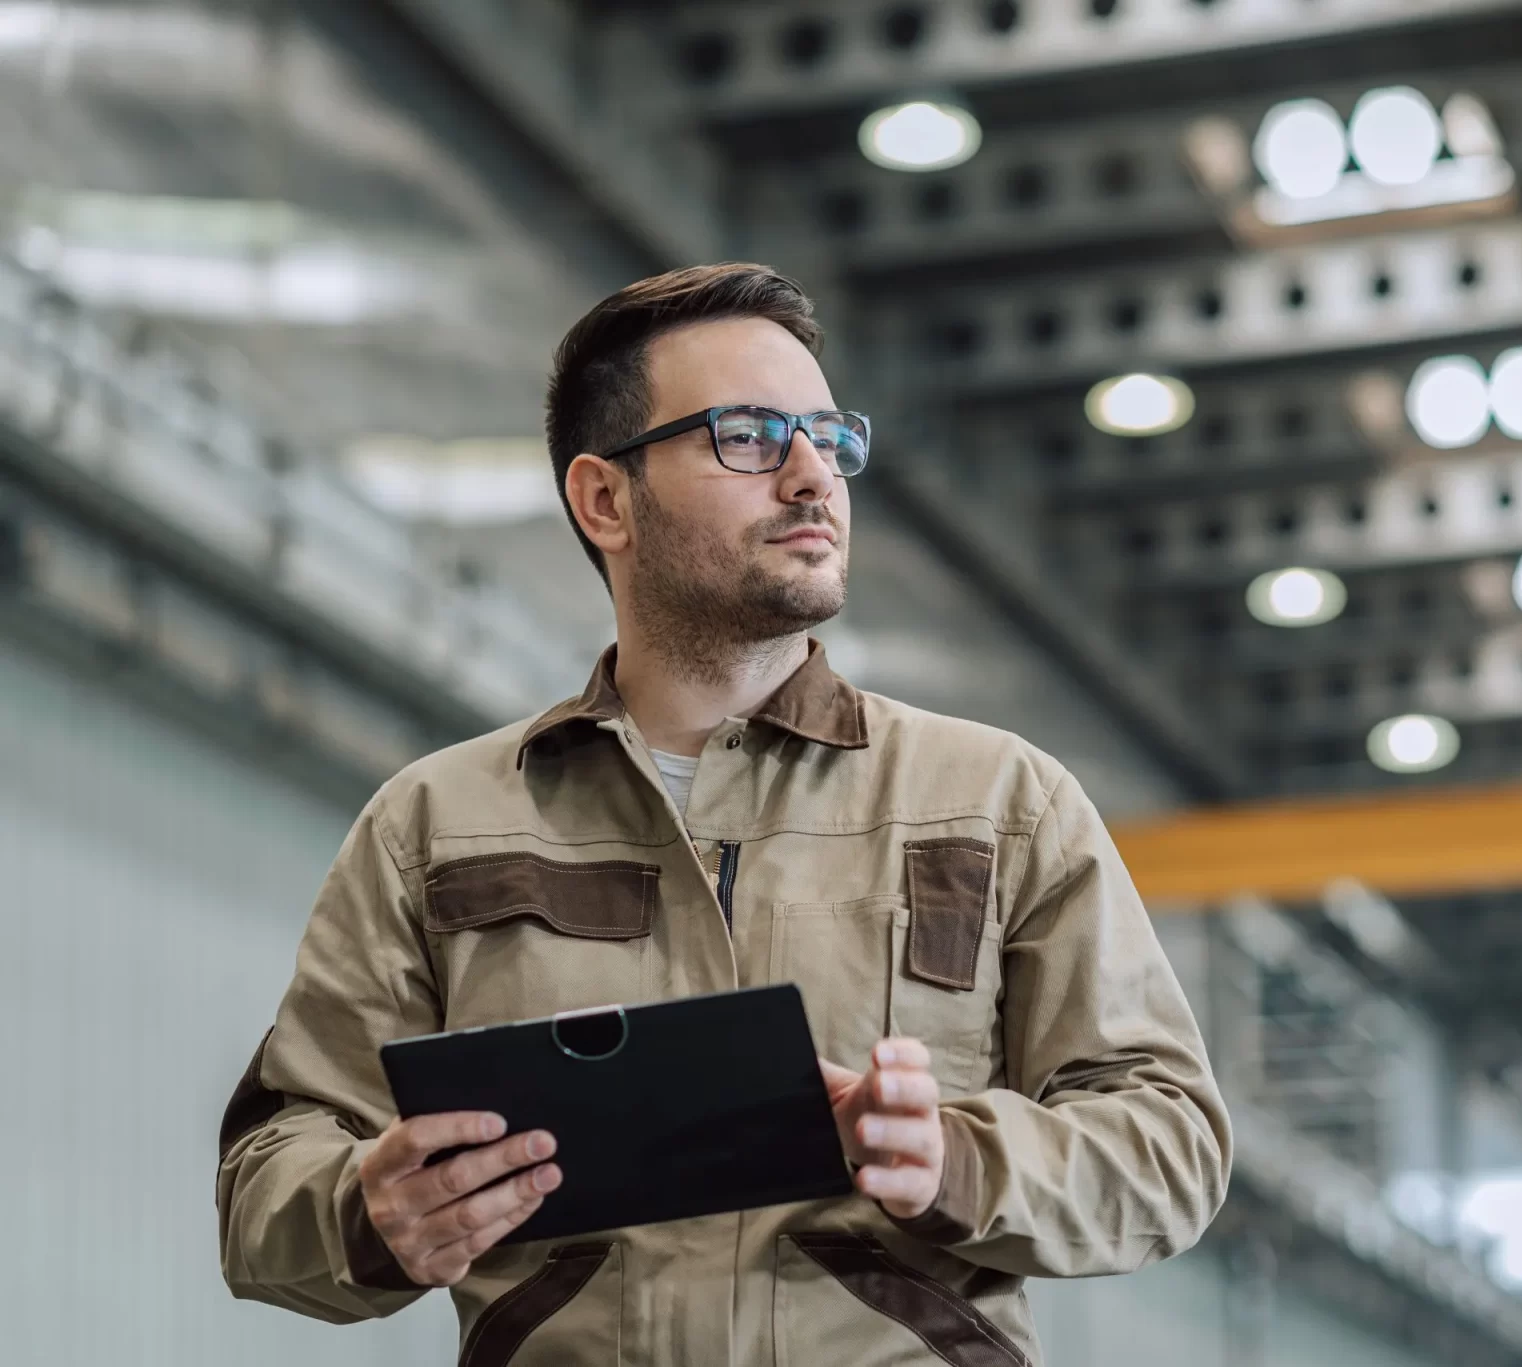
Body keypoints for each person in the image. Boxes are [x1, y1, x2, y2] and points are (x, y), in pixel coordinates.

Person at [216, 262, 1231, 1365]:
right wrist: (368, 1210)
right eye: (747, 435)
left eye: (827, 435)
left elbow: (1168, 1139)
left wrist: (957, 1159)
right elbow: (267, 1173)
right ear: (605, 500)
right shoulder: (436, 825)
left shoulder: (999, 805)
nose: (811, 476)